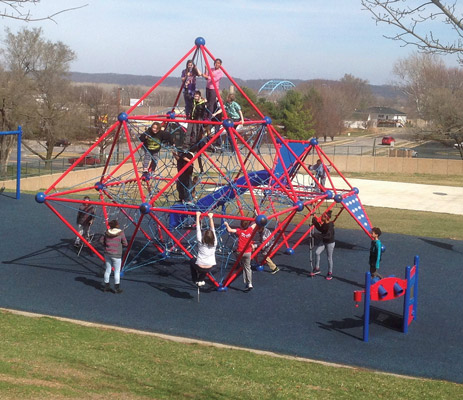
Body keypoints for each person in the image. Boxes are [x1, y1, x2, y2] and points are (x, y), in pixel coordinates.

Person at [224, 219, 256, 291]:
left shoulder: (239, 231)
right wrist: (256, 217)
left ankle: (241, 263)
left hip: (240, 252)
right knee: (248, 267)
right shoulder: (250, 230)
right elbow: (255, 224)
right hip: (248, 252)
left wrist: (226, 224)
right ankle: (250, 283)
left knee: (235, 252)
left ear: (240, 225)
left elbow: (229, 230)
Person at [100, 219, 128, 293]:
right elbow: (125, 243)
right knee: (117, 271)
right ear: (117, 225)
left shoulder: (106, 232)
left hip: (107, 253)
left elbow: (101, 241)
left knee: (108, 270)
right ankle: (116, 288)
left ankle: (106, 286)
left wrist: (106, 245)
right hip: (116, 254)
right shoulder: (120, 233)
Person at [190, 211, 217, 287]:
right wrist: (211, 217)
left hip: (199, 265)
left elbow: (198, 229)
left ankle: (195, 279)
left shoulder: (200, 241)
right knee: (206, 265)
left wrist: (197, 216)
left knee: (191, 261)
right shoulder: (215, 242)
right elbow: (213, 229)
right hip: (209, 266)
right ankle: (200, 279)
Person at [310, 210, 335, 280]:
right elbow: (321, 229)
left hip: (330, 243)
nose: (321, 217)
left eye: (323, 216)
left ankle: (330, 272)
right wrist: (315, 222)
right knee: (317, 252)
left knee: (329, 258)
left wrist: (316, 235)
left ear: (326, 218)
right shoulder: (324, 224)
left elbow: (327, 236)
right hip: (324, 241)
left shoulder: (330, 226)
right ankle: (317, 268)